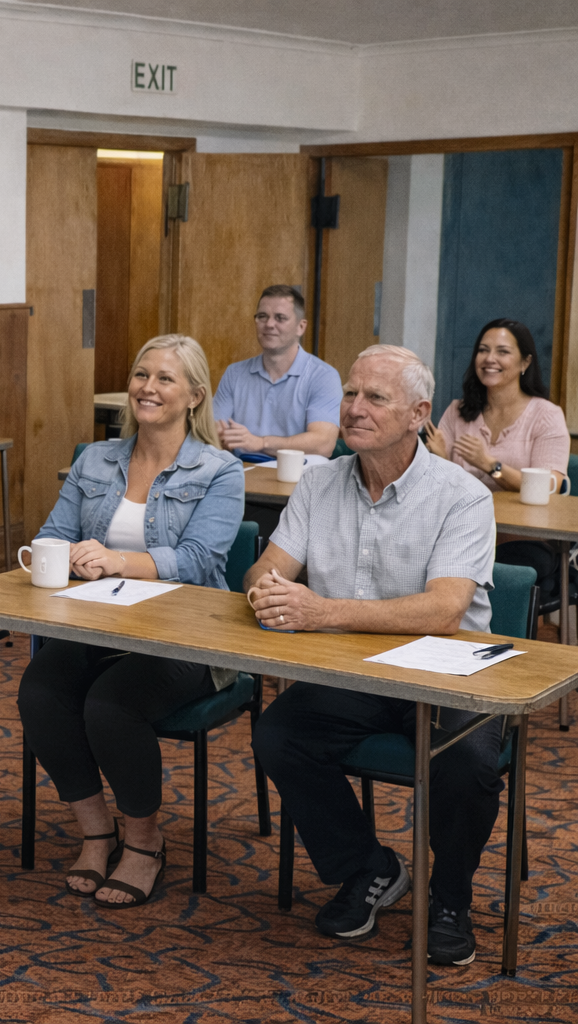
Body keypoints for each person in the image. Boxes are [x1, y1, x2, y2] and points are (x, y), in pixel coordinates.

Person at [248, 344, 497, 967]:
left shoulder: (462, 496)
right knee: (279, 733)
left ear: (419, 413)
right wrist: (267, 588)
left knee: (467, 759)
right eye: (351, 394)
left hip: (448, 674)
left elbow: (442, 612)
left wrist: (318, 612)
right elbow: (266, 570)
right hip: (351, 675)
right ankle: (369, 868)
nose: (354, 408)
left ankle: (450, 898)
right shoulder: (319, 481)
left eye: (374, 398)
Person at [16, 335, 243, 908]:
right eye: (142, 375)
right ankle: (96, 832)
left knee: (109, 705)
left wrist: (118, 562)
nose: (148, 387)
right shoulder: (96, 459)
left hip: (187, 636)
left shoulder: (220, 470)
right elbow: (52, 534)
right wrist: (64, 554)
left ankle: (144, 842)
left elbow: (197, 562)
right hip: (98, 627)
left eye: (165, 378)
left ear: (194, 395)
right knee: (39, 690)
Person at [425, 317, 569, 600]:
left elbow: (552, 484)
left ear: (525, 362)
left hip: (523, 537)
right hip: (460, 531)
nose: (490, 359)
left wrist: (491, 466)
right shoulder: (457, 411)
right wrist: (440, 459)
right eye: (483, 350)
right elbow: (439, 482)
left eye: (502, 351)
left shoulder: (547, 415)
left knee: (492, 570)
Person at [213, 285, 343, 459]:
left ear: (301, 327)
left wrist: (261, 442)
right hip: (241, 474)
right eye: (262, 316)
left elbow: (323, 444)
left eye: (280, 318)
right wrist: (218, 435)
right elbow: (211, 431)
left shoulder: (323, 376)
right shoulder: (234, 373)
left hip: (297, 479)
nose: (269, 324)